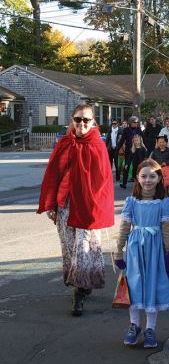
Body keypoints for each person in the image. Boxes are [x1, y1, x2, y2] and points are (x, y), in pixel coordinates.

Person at [37, 104, 114, 316]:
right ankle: (82, 284)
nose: (81, 123)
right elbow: (53, 175)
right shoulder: (64, 144)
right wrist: (51, 204)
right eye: (78, 119)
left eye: (86, 120)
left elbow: (103, 183)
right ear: (72, 120)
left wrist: (97, 210)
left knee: (84, 249)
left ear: (93, 122)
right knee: (70, 249)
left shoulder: (97, 146)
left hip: (88, 206)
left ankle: (79, 293)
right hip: (65, 205)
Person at [114, 159, 169, 348]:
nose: (148, 180)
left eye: (152, 176)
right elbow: (124, 228)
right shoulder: (131, 201)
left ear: (159, 178)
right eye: (143, 176)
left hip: (155, 250)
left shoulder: (163, 203)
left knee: (152, 285)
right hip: (135, 249)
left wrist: (168, 253)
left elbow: (166, 229)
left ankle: (150, 328)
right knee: (134, 285)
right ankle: (134, 324)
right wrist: (118, 252)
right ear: (137, 178)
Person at [117, 116, 144, 186]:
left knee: (137, 166)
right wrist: (117, 149)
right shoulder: (126, 130)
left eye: (137, 122)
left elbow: (143, 139)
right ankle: (124, 183)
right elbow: (122, 140)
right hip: (129, 150)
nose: (136, 123)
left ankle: (139, 182)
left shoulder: (138, 129)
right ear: (130, 122)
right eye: (135, 122)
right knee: (126, 165)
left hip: (138, 150)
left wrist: (146, 148)